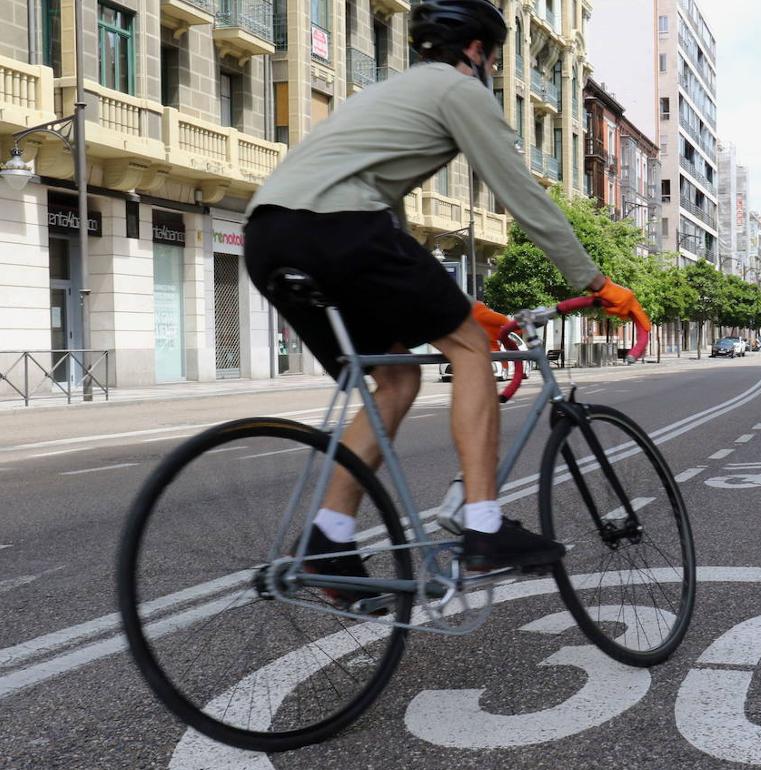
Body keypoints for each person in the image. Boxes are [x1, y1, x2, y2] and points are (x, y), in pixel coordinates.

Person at [242, 0, 649, 602]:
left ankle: (328, 539)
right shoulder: (461, 92)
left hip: (269, 237)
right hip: (339, 229)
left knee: (399, 378)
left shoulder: (386, 97)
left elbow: (392, 230)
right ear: (479, 52)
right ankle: (483, 529)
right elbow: (524, 199)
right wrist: (595, 282)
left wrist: (463, 307)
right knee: (468, 350)